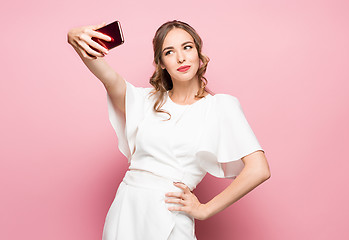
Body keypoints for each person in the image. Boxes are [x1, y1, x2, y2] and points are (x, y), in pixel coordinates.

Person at [67, 20, 271, 240]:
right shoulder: (145, 100)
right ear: (161, 62)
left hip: (170, 214)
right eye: (169, 52)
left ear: (199, 54)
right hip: (127, 210)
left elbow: (259, 169)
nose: (181, 58)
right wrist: (74, 38)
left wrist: (205, 210)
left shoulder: (219, 106)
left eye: (187, 47)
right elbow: (107, 77)